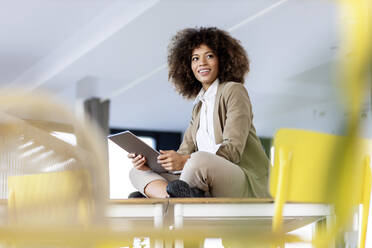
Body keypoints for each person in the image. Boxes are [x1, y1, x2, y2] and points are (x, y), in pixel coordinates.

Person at [128, 27, 270, 198]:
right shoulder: (199, 107)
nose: (201, 63)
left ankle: (160, 197)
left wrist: (184, 160)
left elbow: (232, 150)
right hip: (199, 176)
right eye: (195, 58)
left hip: (242, 179)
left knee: (198, 160)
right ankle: (171, 198)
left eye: (209, 56)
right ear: (188, 66)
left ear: (223, 60)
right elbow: (182, 153)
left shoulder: (234, 90)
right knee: (136, 172)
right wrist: (151, 164)